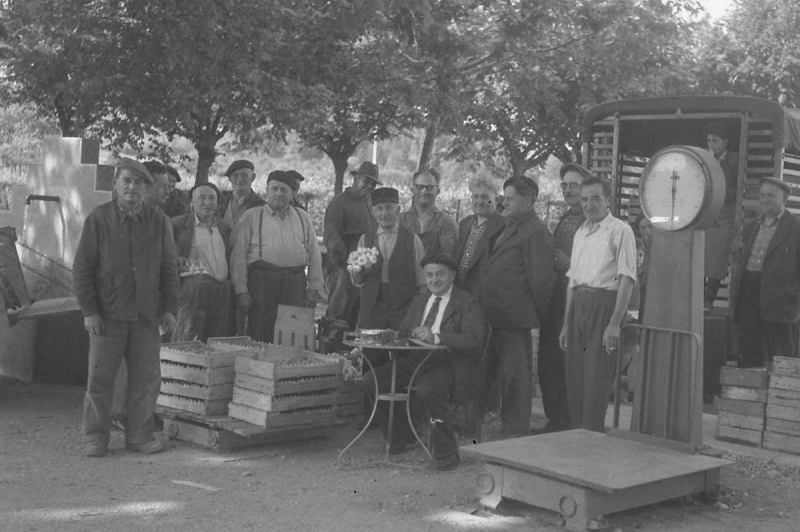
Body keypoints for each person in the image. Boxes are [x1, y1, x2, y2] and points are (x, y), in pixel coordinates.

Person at [73, 157, 179, 457]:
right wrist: (89, 311)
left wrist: (169, 308)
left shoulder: (159, 221)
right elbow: (82, 268)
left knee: (146, 379)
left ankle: (140, 436)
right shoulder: (98, 219)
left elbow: (169, 268)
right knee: (99, 377)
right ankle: (95, 437)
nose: (133, 187)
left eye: (139, 183)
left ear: (147, 189)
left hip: (146, 315)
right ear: (115, 185)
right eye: (126, 181)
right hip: (108, 313)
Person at [362, 253, 486, 470]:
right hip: (416, 360)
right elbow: (403, 333)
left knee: (428, 389)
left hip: (449, 364)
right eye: (429, 275)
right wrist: (393, 335)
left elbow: (474, 341)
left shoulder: (467, 302)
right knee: (373, 380)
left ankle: (447, 454)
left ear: (453, 276)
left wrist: (437, 337)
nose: (434, 280)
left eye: (440, 274)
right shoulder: (420, 301)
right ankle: (402, 437)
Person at [559, 176, 637, 433]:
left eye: (595, 198)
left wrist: (615, 322)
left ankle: (591, 439)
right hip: (578, 306)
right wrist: (565, 324)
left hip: (603, 305)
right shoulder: (581, 232)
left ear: (607, 200)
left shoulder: (620, 230)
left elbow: (627, 279)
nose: (589, 205)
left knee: (595, 379)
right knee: (575, 378)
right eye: (584, 199)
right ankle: (576, 437)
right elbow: (572, 280)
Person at [480, 176, 554, 436]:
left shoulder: (536, 231)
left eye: (510, 198)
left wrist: (534, 316)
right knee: (499, 374)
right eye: (504, 197)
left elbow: (542, 279)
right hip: (497, 315)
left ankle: (515, 431)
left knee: (516, 377)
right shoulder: (511, 226)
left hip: (516, 318)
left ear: (529, 200)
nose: (504, 202)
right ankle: (502, 425)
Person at [230, 170, 324, 343]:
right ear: (267, 191)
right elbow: (238, 255)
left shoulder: (302, 217)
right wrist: (241, 289)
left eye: (284, 190)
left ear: (292, 194)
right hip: (263, 283)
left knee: (293, 336)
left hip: (295, 284)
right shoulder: (251, 216)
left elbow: (314, 253)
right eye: (274, 189)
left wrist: (314, 287)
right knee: (260, 334)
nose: (279, 193)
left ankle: (290, 369)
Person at [535, 163, 591, 433]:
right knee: (550, 359)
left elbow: (595, 267)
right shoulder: (568, 216)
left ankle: (565, 420)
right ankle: (555, 419)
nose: (569, 190)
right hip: (556, 297)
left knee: (564, 359)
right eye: (565, 185)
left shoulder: (591, 221)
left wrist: (566, 263)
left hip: (576, 300)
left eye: (575, 185)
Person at [733, 177, 800, 368]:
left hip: (781, 300)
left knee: (781, 358)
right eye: (762, 195)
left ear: (784, 198)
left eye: (771, 195)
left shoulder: (796, 226)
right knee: (749, 350)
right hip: (750, 292)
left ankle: (780, 397)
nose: (765, 199)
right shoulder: (754, 225)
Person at [352, 187, 426, 331]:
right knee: (371, 351)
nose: (384, 213)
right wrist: (361, 272)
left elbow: (422, 283)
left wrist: (420, 312)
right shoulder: (365, 240)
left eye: (388, 208)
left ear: (397, 210)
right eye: (379, 209)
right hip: (373, 309)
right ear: (373, 212)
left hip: (403, 309)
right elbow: (357, 280)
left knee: (401, 350)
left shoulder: (413, 240)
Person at [170, 182, 234, 341]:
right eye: (202, 198)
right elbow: (167, 255)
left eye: (212, 198)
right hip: (193, 290)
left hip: (221, 289)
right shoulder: (177, 225)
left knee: (217, 337)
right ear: (191, 202)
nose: (207, 202)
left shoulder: (223, 227)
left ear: (218, 204)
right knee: (189, 336)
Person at [324, 162, 380, 328]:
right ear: (356, 178)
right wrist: (344, 264)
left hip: (367, 268)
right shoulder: (339, 203)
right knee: (338, 313)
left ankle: (350, 352)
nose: (369, 186)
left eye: (373, 183)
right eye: (366, 181)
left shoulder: (370, 202)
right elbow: (331, 233)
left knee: (358, 315)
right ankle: (331, 351)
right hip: (346, 266)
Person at [704, 122, 739, 311]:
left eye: (715, 141)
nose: (711, 144)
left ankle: (709, 299)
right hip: (707, 215)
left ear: (725, 141)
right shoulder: (704, 157)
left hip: (725, 216)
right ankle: (697, 297)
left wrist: (722, 194)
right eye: (709, 140)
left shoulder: (734, 159)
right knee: (700, 256)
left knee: (717, 259)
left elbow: (738, 185)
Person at [454, 175, 504, 296]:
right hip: (458, 292)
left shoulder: (503, 227)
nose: (479, 201)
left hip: (483, 296)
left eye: (485, 197)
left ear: (496, 200)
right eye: (475, 197)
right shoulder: (465, 223)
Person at [399, 168, 459, 259]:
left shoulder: (446, 222)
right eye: (419, 187)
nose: (424, 191)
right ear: (412, 190)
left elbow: (449, 258)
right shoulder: (400, 221)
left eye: (429, 188)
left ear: (438, 191)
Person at [218, 159, 266, 227]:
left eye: (244, 175)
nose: (240, 179)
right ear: (230, 179)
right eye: (235, 175)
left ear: (253, 177)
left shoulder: (261, 206)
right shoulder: (219, 201)